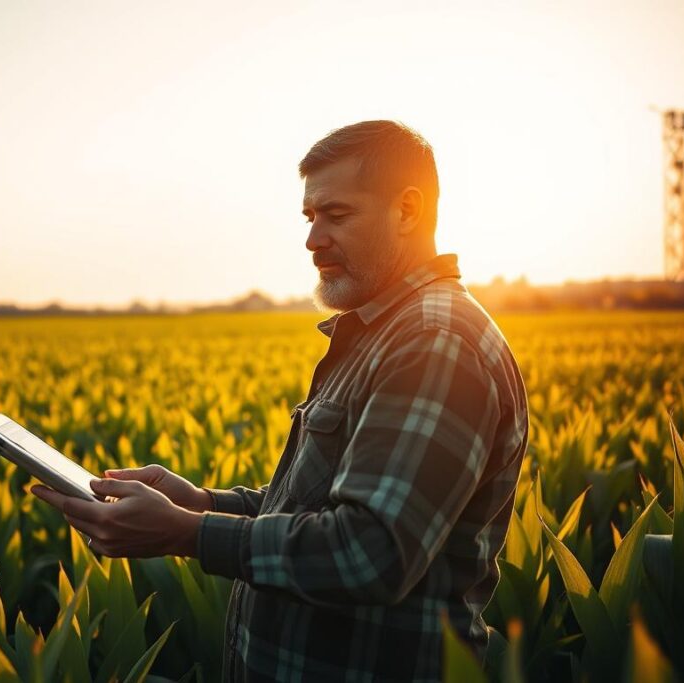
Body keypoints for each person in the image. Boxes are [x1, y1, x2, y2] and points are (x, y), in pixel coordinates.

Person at [33, 120, 529, 682]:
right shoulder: (387, 332)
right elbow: (323, 508)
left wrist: (184, 532)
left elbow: (369, 550)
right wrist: (201, 503)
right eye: (310, 218)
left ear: (408, 211)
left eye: (336, 215)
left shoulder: (435, 342)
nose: (314, 240)